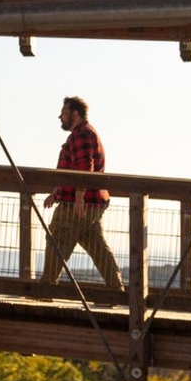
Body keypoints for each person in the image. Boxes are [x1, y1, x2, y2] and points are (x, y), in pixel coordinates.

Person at [39, 96, 124, 293]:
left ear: (75, 114)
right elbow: (73, 170)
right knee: (97, 247)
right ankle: (116, 291)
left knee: (57, 241)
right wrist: (56, 193)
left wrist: (78, 199)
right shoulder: (87, 133)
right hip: (92, 203)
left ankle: (45, 290)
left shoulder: (81, 135)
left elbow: (84, 169)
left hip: (76, 204)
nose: (60, 116)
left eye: (64, 112)